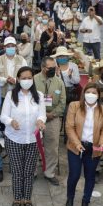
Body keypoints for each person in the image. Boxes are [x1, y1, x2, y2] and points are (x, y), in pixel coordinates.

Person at [0, 66, 46, 206]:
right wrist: (10, 121)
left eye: (29, 78)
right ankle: (17, 198)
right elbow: (3, 116)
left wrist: (40, 121)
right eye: (23, 78)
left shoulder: (38, 95)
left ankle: (27, 198)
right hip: (14, 138)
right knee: (17, 171)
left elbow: (42, 114)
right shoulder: (10, 95)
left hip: (33, 139)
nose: (26, 80)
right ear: (18, 79)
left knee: (29, 171)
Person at [65, 83, 103, 206]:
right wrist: (77, 143)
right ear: (84, 93)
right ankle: (70, 197)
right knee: (74, 175)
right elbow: (69, 127)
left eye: (94, 93)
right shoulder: (74, 106)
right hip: (76, 146)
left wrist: (102, 144)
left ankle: (86, 202)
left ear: (98, 95)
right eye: (88, 92)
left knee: (90, 176)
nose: (91, 95)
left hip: (93, 148)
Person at [34, 56, 66, 185]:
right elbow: (29, 100)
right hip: (36, 119)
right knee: (34, 146)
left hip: (53, 118)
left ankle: (49, 172)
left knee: (52, 147)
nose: (53, 70)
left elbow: (63, 102)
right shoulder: (34, 80)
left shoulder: (59, 82)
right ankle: (33, 171)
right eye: (50, 68)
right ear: (43, 67)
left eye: (55, 68)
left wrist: (52, 114)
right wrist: (41, 115)